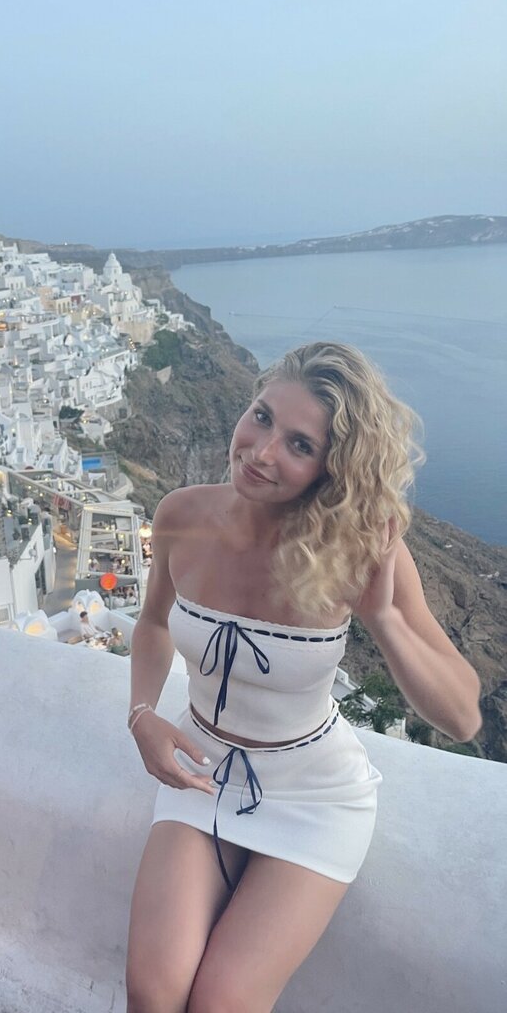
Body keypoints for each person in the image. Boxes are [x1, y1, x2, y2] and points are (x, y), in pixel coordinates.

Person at [125, 342, 481, 1013]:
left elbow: (462, 716)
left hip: (314, 797)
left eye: (299, 445)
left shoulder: (358, 549)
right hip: (200, 773)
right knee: (152, 992)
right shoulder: (181, 515)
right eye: (261, 417)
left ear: (330, 469)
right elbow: (152, 624)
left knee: (222, 1004)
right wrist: (142, 713)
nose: (261, 452)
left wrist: (382, 618)